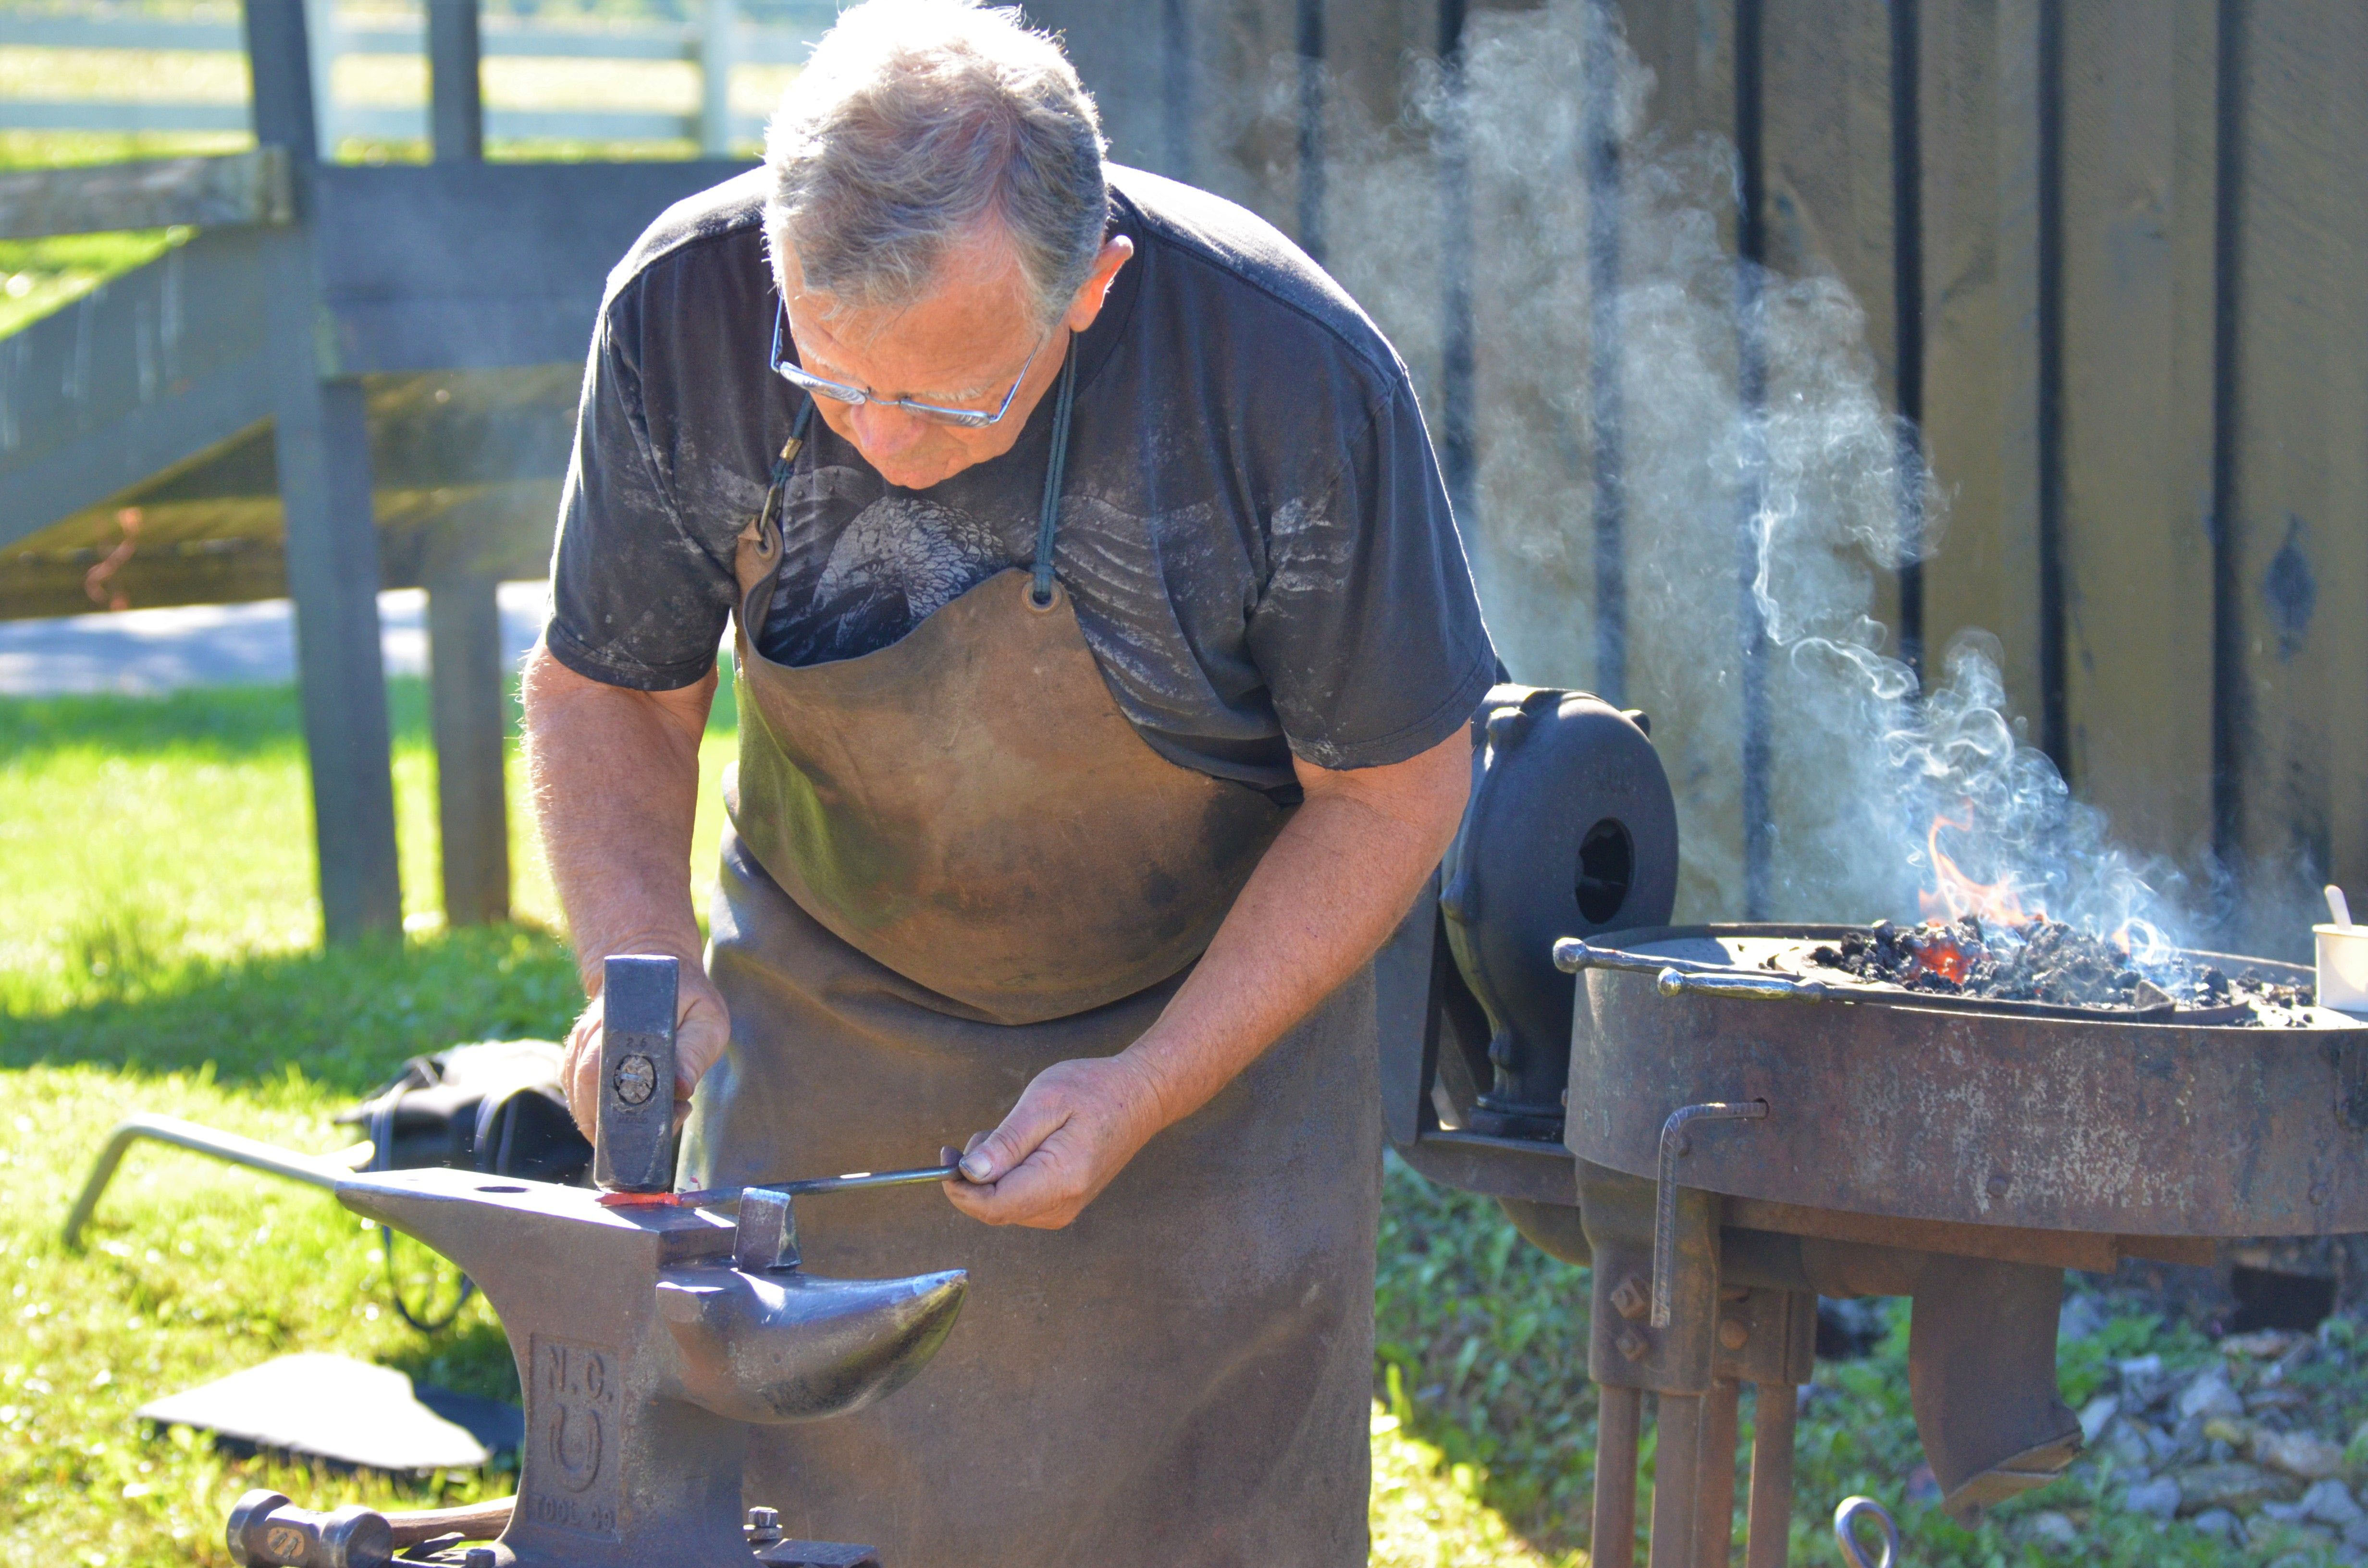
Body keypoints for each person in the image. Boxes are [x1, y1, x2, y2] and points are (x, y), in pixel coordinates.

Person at [521, 1, 1495, 1561]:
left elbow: (1393, 792)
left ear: (1092, 284)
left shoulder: (1288, 380)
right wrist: (639, 976)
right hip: (831, 1006)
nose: (885, 442)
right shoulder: (686, 310)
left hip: (1212, 1043)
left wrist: (1146, 1086)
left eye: (951, 400)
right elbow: (611, 693)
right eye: (834, 381)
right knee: (809, 1508)